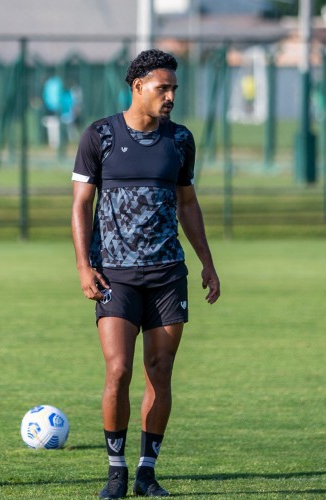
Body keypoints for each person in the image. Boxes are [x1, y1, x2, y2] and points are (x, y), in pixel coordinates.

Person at [71, 49, 221, 499]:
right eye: (163, 87)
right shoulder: (100, 135)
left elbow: (188, 204)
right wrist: (83, 265)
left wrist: (207, 262)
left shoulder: (180, 141)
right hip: (114, 275)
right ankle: (115, 472)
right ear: (137, 87)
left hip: (166, 275)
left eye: (174, 88)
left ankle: (146, 472)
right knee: (118, 370)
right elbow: (81, 205)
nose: (171, 95)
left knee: (160, 371)